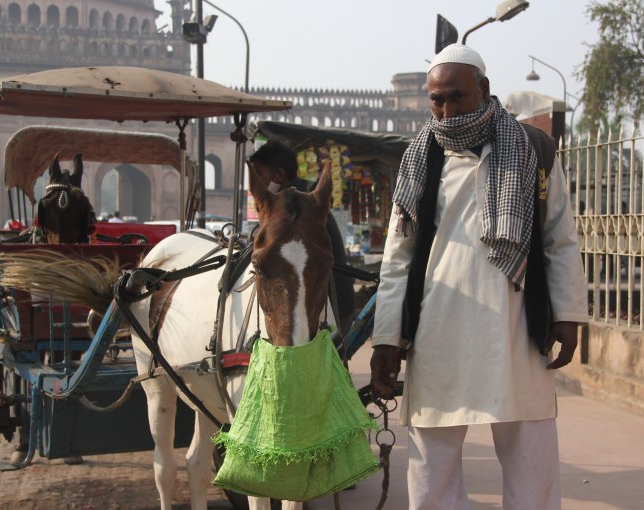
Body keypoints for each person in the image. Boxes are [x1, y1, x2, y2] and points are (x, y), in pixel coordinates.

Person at [369, 44, 588, 510]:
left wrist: (569, 314)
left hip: (515, 331)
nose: (446, 111)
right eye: (436, 100)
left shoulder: (532, 149)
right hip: (438, 335)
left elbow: (559, 239)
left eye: (456, 97)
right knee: (432, 479)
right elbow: (397, 258)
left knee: (533, 471)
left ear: (484, 90)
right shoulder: (419, 160)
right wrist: (387, 339)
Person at [247, 140, 356, 335]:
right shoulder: (302, 199)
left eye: (259, 175)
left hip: (332, 307)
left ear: (279, 175)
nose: (255, 186)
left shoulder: (299, 207)